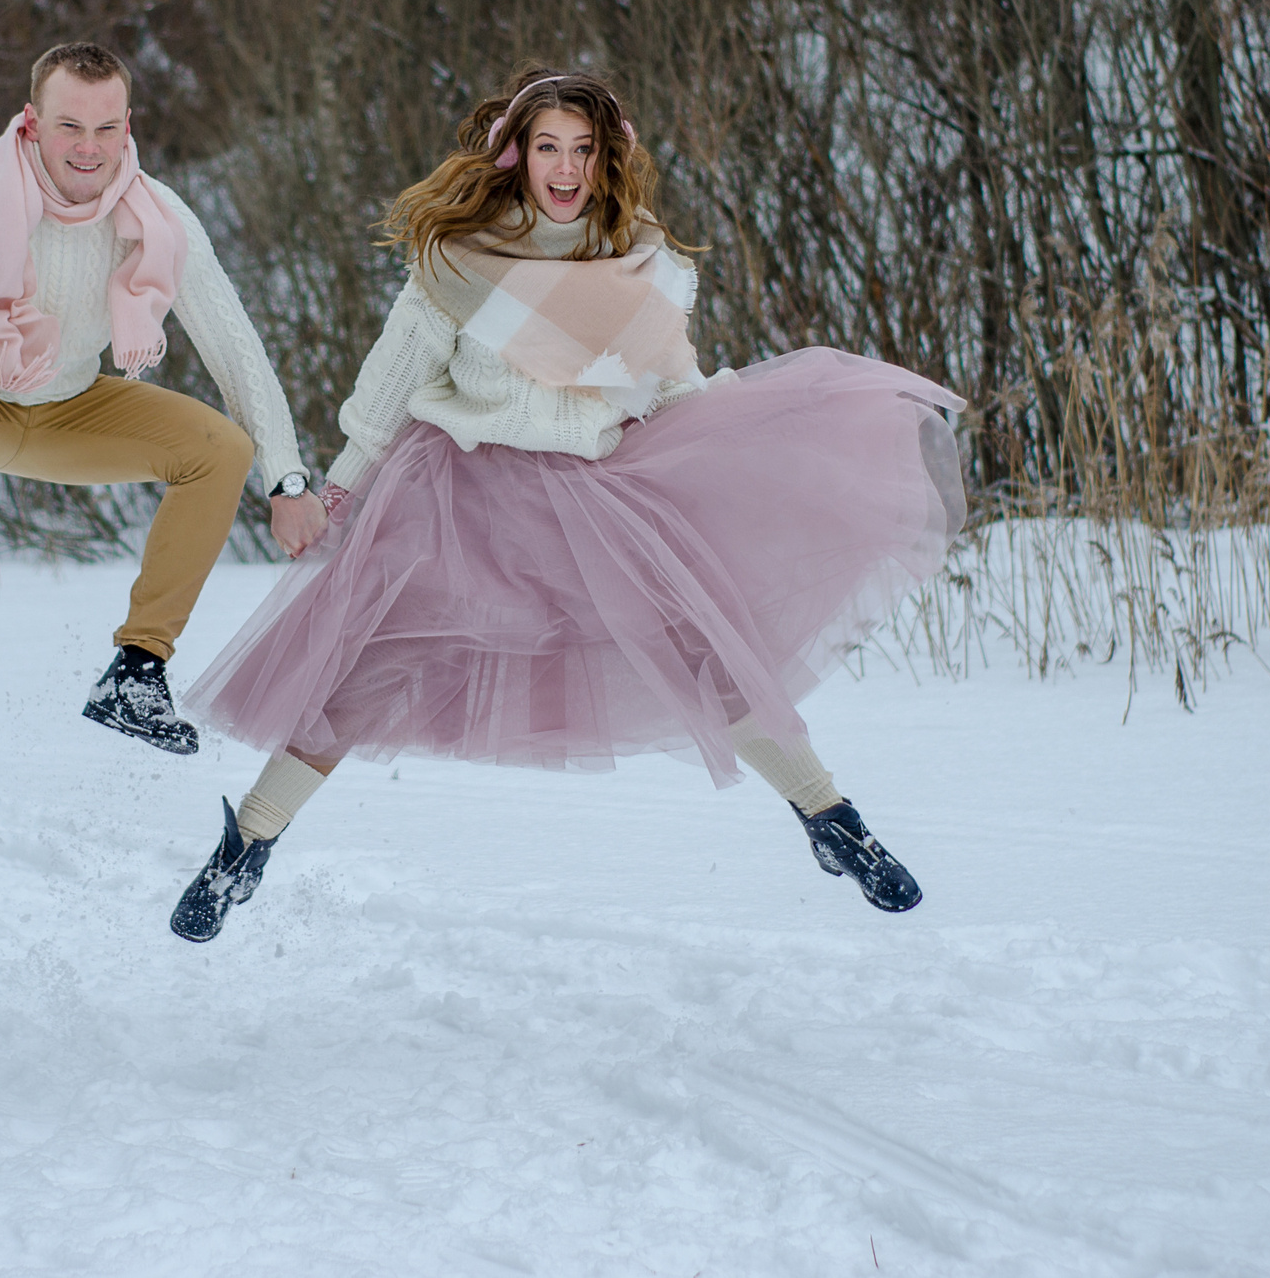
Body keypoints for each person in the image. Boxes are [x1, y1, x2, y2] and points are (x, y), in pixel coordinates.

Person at [165, 65, 965, 941]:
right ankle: (247, 845)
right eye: (549, 146)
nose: (566, 168)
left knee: (704, 646)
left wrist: (753, 443)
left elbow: (672, 388)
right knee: (364, 671)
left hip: (592, 493)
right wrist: (336, 488)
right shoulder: (462, 260)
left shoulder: (635, 264)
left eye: (583, 150)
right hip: (459, 492)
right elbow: (389, 386)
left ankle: (832, 820)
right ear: (516, 153)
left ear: (607, 158)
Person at [0, 42, 326, 751]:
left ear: (128, 125)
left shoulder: (157, 218)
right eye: (68, 127)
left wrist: (287, 478)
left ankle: (137, 672)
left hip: (70, 406)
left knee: (220, 449)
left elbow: (235, 347)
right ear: (31, 121)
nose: (89, 149)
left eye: (106, 128)